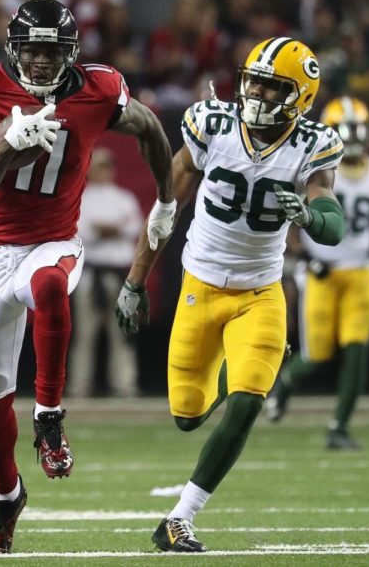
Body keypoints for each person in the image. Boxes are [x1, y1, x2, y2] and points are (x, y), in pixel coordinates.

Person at [0, 0, 175, 555]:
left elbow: (151, 129)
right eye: (32, 50)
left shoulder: (98, 89)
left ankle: (49, 415)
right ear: (14, 50)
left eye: (52, 50)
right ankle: (6, 497)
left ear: (71, 52)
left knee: (49, 287)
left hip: (54, 241)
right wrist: (7, 147)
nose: (41, 60)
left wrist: (166, 199)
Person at [115, 37, 346, 552]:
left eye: (272, 86)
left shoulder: (311, 145)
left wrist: (310, 217)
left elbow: (333, 221)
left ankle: (179, 518)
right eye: (254, 81)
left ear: (301, 96)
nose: (257, 92)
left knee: (246, 403)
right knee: (187, 416)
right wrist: (135, 279)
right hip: (200, 287)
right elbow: (166, 208)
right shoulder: (213, 125)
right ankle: (248, 363)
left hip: (261, 292)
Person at [266, 97, 369, 450]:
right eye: (347, 130)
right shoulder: (316, 170)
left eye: (358, 130)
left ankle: (339, 427)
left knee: (357, 349)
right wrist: (306, 258)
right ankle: (285, 384)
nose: (354, 137)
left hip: (360, 272)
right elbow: (291, 220)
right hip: (320, 272)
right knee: (316, 354)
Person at [68, 147, 143, 398]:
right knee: (84, 334)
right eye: (99, 166)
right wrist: (112, 229)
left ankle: (124, 385)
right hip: (89, 276)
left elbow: (135, 228)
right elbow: (80, 232)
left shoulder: (124, 198)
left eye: (107, 166)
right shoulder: (80, 199)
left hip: (119, 276)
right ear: (89, 169)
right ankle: (80, 385)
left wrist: (106, 229)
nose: (103, 171)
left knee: (122, 333)